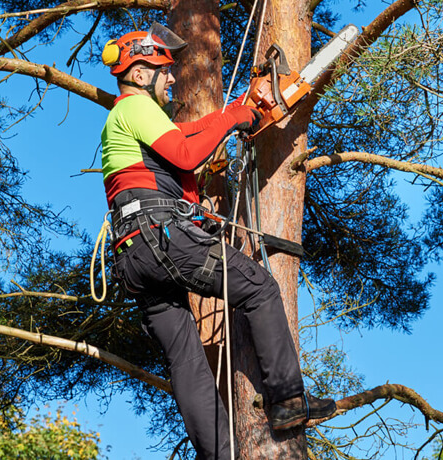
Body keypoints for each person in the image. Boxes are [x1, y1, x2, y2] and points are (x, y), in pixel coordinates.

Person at [99, 23, 336, 460]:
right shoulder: (134, 107)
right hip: (161, 238)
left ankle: (219, 455)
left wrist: (235, 114)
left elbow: (186, 142)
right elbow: (189, 154)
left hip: (135, 257)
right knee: (261, 288)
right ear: (137, 74)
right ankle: (287, 402)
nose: (171, 78)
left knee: (186, 360)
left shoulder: (127, 121)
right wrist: (232, 117)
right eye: (162, 70)